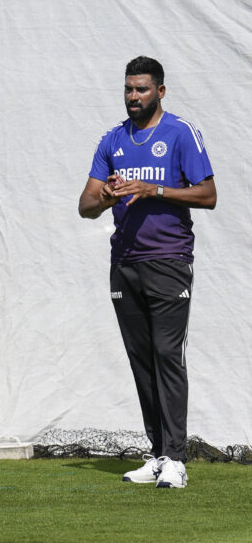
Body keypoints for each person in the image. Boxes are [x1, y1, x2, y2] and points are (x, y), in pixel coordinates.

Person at [78, 56, 215, 489]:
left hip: (169, 261)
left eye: (141, 89)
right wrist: (103, 195)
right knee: (141, 361)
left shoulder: (179, 133)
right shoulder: (112, 140)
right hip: (125, 265)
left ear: (160, 91)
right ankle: (157, 454)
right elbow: (84, 207)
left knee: (166, 356)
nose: (133, 97)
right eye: (128, 89)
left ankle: (177, 459)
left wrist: (152, 188)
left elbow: (208, 194)